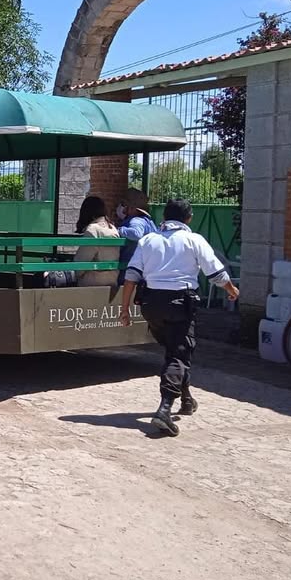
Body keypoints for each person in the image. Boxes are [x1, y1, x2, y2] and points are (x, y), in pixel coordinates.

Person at [120, 198, 239, 437]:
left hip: (151, 305)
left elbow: (131, 276)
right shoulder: (194, 240)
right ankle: (164, 409)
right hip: (179, 305)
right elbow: (215, 273)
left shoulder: (148, 240)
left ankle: (186, 399)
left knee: (174, 350)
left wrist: (124, 310)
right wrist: (232, 290)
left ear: (164, 217)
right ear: (189, 218)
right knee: (179, 354)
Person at [73, 196, 120, 287]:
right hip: (112, 280)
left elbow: (81, 263)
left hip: (92, 282)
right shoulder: (113, 228)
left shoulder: (92, 230)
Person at [116, 187, 158, 284]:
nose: (121, 208)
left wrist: (119, 230)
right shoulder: (149, 222)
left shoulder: (136, 221)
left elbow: (136, 234)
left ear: (131, 208)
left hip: (130, 271)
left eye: (123, 205)